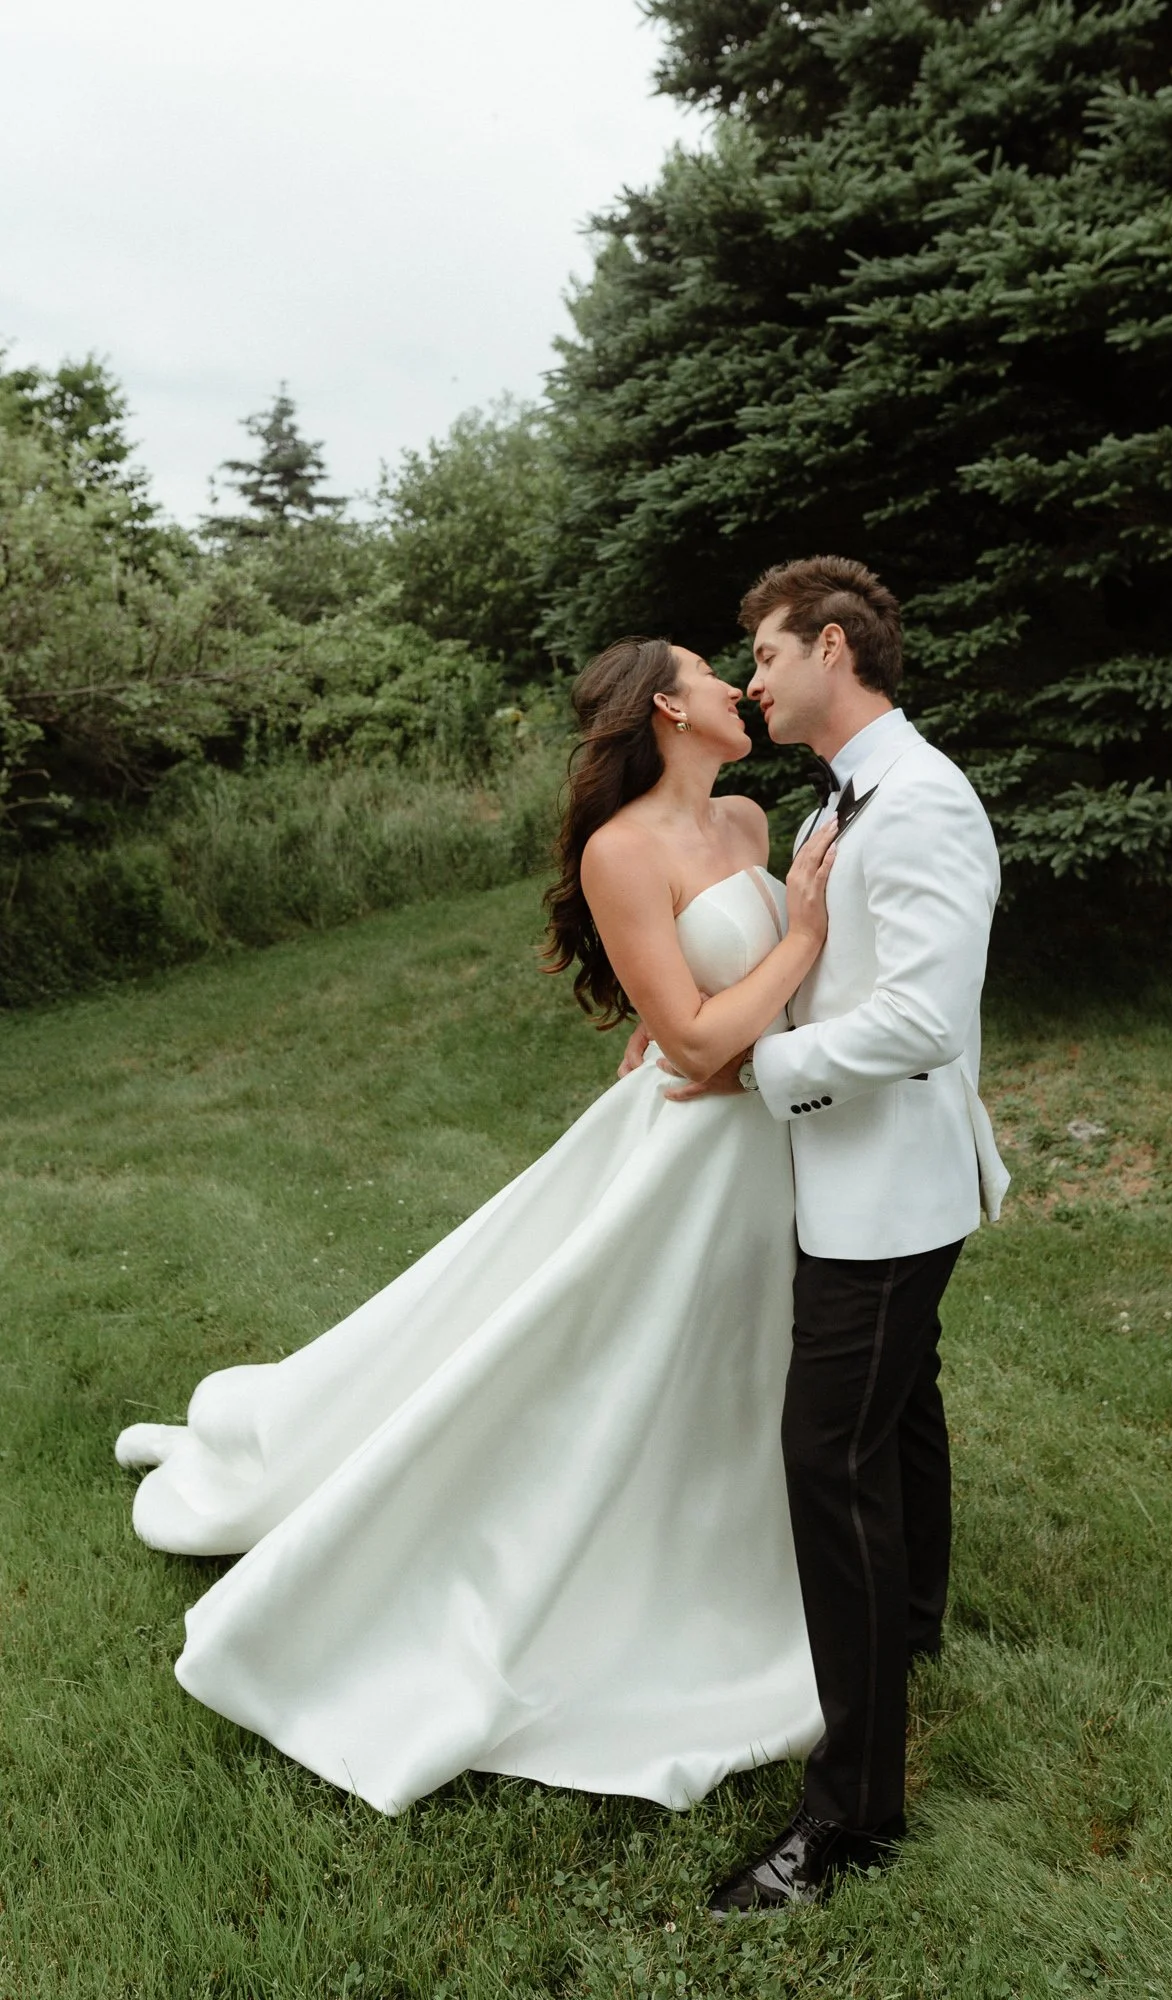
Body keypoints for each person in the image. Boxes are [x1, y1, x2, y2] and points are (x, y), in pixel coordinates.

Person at [114, 635, 839, 1819]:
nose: (737, 688)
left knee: (734, 1368)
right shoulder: (620, 850)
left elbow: (726, 1016)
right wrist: (777, 960)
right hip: (693, 1148)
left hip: (767, 1147)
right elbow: (703, 1037)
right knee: (581, 1359)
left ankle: (732, 1564)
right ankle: (317, 1471)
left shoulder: (754, 824)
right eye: (716, 672)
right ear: (668, 704)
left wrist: (728, 1016)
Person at [621, 556, 1009, 1914]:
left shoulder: (922, 806)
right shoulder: (834, 806)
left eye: (768, 657)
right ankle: (904, 1634)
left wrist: (756, 1076)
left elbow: (920, 1023)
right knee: (897, 1417)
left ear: (831, 648)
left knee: (825, 1455)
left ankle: (849, 1820)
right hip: (853, 1178)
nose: (752, 681)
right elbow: (820, 974)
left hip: (885, 1194)